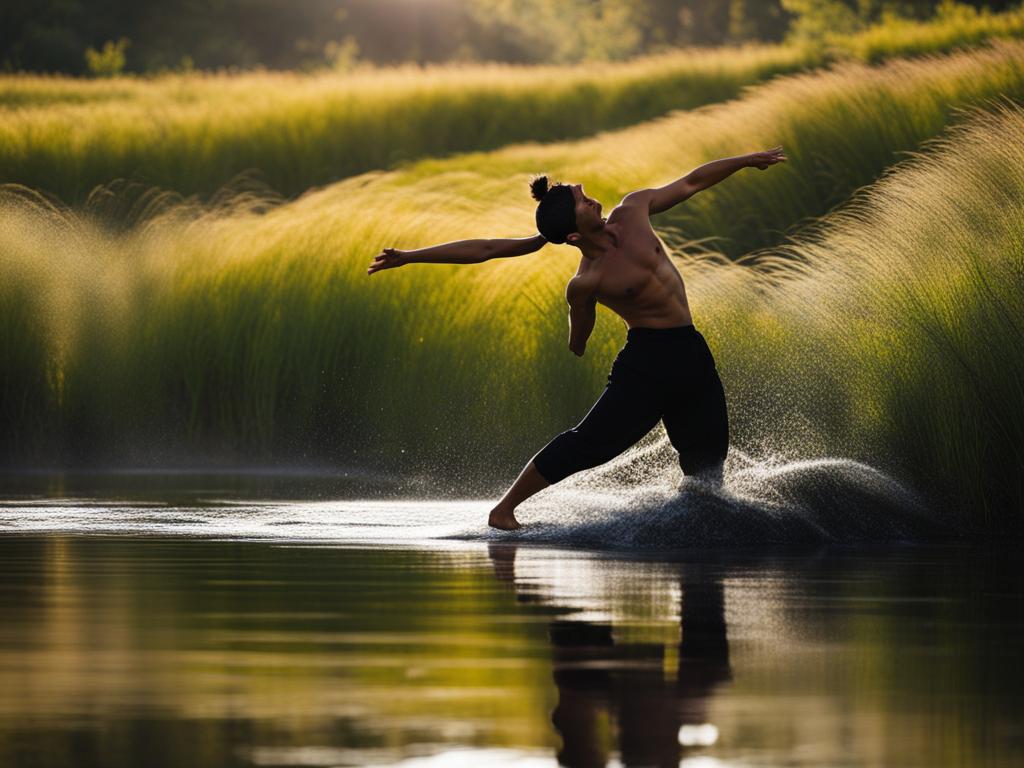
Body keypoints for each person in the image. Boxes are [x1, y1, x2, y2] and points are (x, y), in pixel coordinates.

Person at [368, 147, 787, 530]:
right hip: (646, 364)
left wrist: (745, 161)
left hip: (691, 352)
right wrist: (409, 256)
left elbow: (691, 182)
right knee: (589, 444)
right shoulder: (587, 281)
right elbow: (491, 250)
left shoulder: (634, 210)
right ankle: (504, 510)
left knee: (709, 459)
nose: (592, 199)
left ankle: (702, 535)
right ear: (572, 235)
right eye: (583, 201)